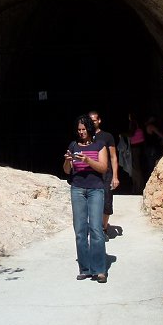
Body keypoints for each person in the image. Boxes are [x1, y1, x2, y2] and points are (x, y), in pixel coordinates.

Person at [62, 115, 110, 283]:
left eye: (84, 129)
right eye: (79, 130)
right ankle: (85, 268)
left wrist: (88, 160)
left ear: (89, 129)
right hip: (77, 189)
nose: (81, 132)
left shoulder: (100, 145)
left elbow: (104, 168)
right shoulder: (73, 146)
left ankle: (99, 270)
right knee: (80, 230)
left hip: (95, 189)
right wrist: (68, 161)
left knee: (96, 229)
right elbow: (67, 171)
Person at [88, 110, 119, 237]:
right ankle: (94, 228)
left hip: (106, 173)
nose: (92, 123)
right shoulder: (85, 136)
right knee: (91, 201)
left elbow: (113, 157)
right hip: (91, 172)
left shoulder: (107, 136)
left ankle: (104, 228)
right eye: (90, 121)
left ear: (99, 121)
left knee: (106, 201)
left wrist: (115, 176)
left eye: (94, 120)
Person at [128, 114, 146, 193]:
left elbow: (131, 133)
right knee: (137, 167)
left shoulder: (133, 123)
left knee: (136, 168)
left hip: (135, 147)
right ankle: (137, 187)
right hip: (139, 147)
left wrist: (122, 134)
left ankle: (138, 188)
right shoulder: (140, 124)